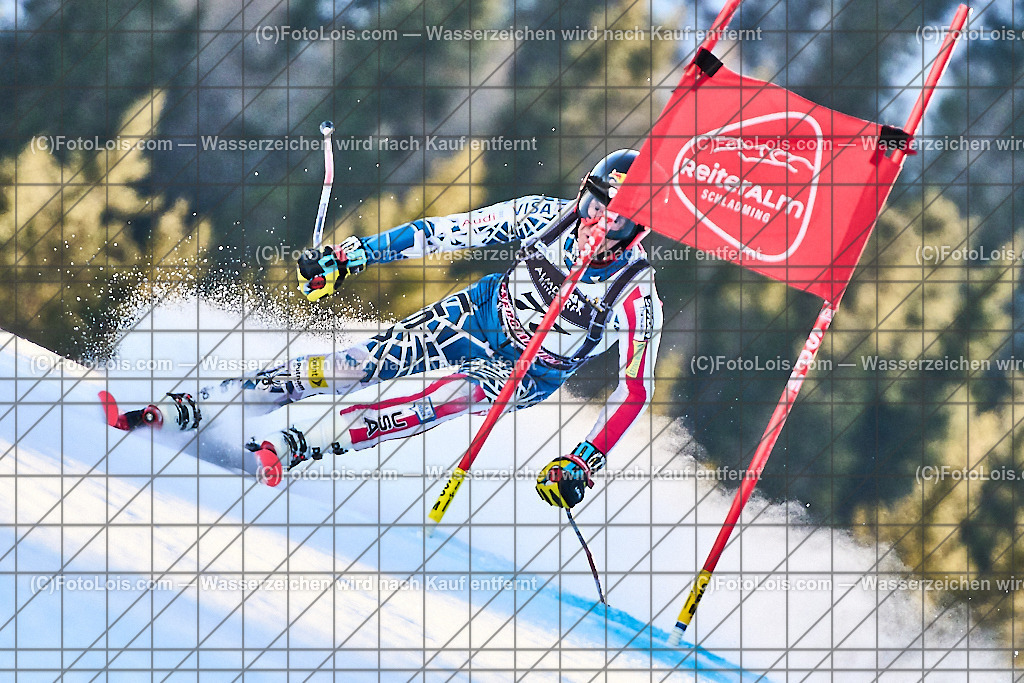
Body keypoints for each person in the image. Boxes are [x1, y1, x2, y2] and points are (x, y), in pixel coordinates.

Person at [113, 150, 663, 508]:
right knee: (359, 364)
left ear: (636, 228)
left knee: (442, 398)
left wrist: (584, 458)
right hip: (480, 314)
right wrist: (350, 256)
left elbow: (634, 391)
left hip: (529, 370)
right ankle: (204, 405)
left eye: (614, 217)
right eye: (593, 202)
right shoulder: (545, 215)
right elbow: (443, 231)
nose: (595, 222)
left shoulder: (637, 294)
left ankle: (299, 445)